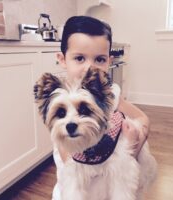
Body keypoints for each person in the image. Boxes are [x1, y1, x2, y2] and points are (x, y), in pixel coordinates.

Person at [53, 15, 149, 199]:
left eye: (99, 59)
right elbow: (72, 161)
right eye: (80, 58)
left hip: (111, 188)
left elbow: (144, 119)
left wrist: (133, 144)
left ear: (109, 61)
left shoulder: (112, 95)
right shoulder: (59, 102)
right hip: (79, 189)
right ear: (62, 59)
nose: (90, 68)